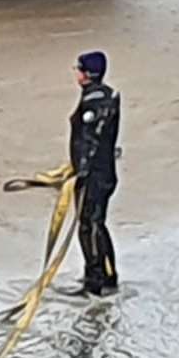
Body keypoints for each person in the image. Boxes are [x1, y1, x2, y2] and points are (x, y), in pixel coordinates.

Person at [69, 50, 120, 296]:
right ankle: (105, 276)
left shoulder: (95, 101)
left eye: (78, 69)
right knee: (95, 224)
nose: (76, 73)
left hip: (94, 175)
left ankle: (96, 281)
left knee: (90, 226)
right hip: (101, 171)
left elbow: (92, 139)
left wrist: (83, 171)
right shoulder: (104, 96)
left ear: (87, 74)